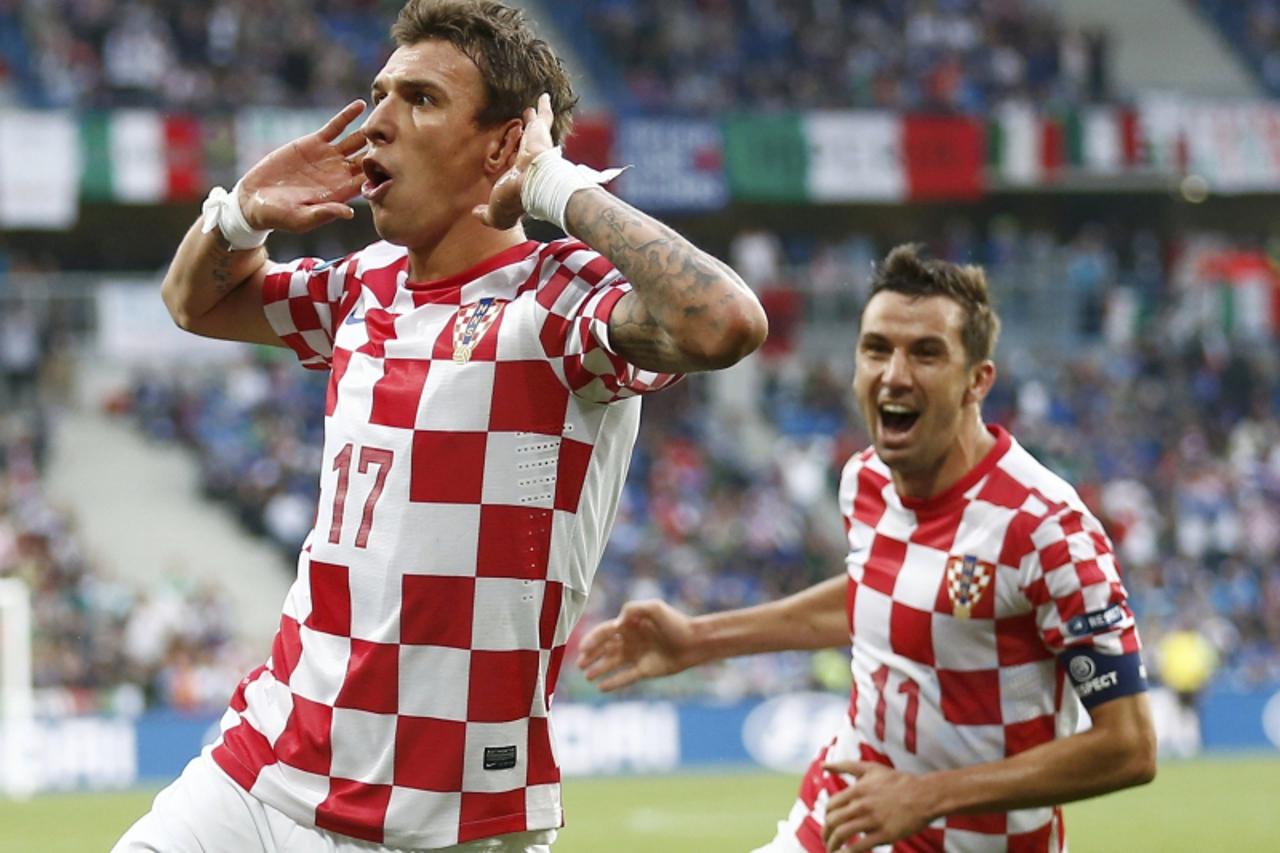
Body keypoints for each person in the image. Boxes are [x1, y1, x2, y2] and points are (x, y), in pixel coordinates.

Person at [114, 2, 767, 852]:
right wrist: (241, 214)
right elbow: (193, 301)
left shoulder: (557, 298)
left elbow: (726, 323)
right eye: (379, 93)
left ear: (503, 147)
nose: (376, 123)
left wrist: (557, 187)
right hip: (265, 764)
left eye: (418, 100)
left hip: (446, 815)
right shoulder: (368, 284)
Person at [579, 245, 1156, 853]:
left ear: (976, 381)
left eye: (926, 353)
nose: (895, 374)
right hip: (839, 817)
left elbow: (1130, 746)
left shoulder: (1045, 527)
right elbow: (880, 592)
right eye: (877, 348)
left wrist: (926, 795)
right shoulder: (867, 479)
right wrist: (701, 639)